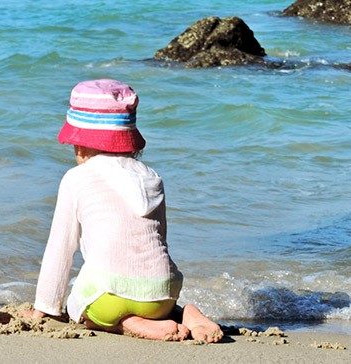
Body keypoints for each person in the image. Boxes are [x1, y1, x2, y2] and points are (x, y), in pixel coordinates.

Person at [22, 79, 223, 342]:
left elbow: (60, 249)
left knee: (82, 308)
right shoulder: (152, 176)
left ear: (80, 143)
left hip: (111, 298)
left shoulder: (76, 177)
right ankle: (184, 314)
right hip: (163, 294)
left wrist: (44, 308)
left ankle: (129, 323)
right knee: (149, 290)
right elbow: (159, 240)